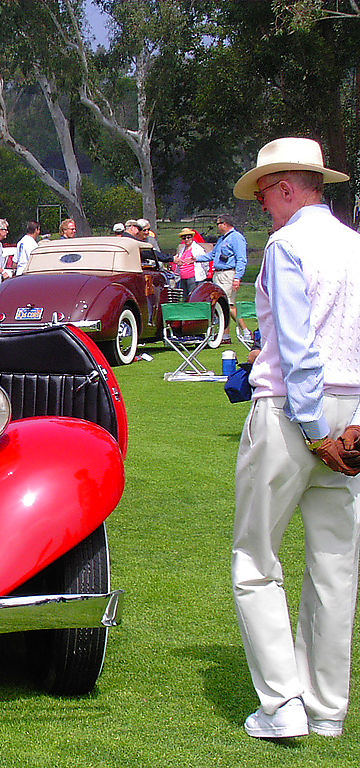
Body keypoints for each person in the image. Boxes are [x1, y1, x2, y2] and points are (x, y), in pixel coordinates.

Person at [230, 137, 360, 739]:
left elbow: (300, 348)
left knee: (256, 559)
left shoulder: (286, 245)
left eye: (263, 191)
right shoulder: (355, 246)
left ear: (286, 185)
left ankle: (282, 704)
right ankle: (328, 708)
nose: (261, 202)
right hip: (351, 410)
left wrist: (314, 432)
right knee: (335, 563)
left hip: (291, 412)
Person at [212, 214, 251, 344]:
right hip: (218, 274)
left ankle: (245, 331)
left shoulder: (236, 238)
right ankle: (225, 335)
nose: (217, 226)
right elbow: (212, 255)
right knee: (223, 305)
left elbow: (241, 259)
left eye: (218, 223)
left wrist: (237, 277)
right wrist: (195, 259)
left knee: (229, 304)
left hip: (228, 274)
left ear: (225, 224)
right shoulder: (222, 239)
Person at [173, 228, 204, 297]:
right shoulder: (182, 249)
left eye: (188, 237)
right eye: (184, 238)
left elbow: (204, 262)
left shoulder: (198, 249)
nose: (186, 240)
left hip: (192, 277)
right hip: (183, 277)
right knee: (184, 297)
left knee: (192, 296)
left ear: (192, 237)